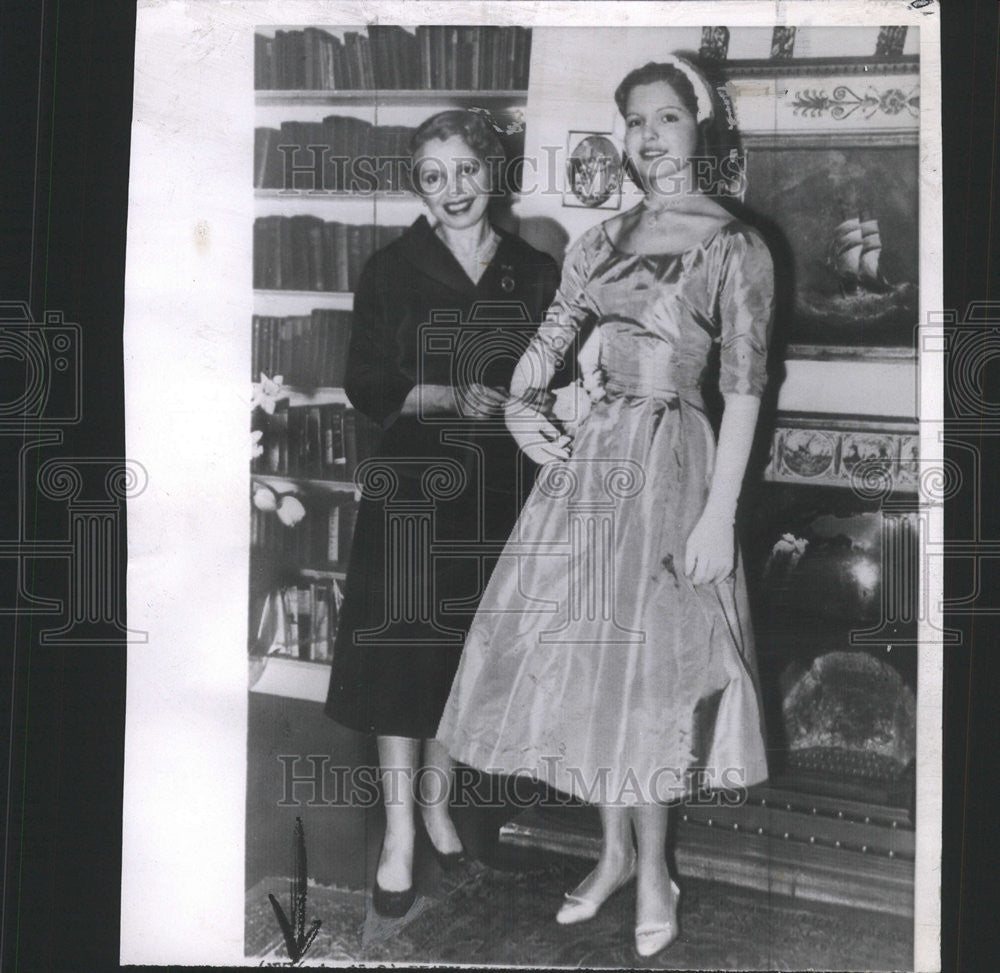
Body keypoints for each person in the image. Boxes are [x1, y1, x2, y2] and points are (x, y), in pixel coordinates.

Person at [437, 57, 774, 958]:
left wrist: (720, 517)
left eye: (668, 118)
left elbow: (743, 390)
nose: (650, 137)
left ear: (700, 130)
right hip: (596, 469)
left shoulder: (735, 247)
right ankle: (615, 852)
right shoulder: (601, 241)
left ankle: (657, 869)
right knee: (594, 664)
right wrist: (519, 406)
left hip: (678, 466)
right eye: (636, 121)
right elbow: (550, 336)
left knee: (653, 677)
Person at [324, 109, 560, 918]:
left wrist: (529, 402)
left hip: (498, 487)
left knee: (459, 658)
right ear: (415, 183)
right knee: (399, 660)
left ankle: (437, 807)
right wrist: (447, 395)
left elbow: (555, 373)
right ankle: (398, 833)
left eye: (465, 170)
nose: (452, 190)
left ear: (493, 171)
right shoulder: (390, 268)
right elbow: (367, 384)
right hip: (415, 486)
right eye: (433, 175)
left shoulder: (534, 268)